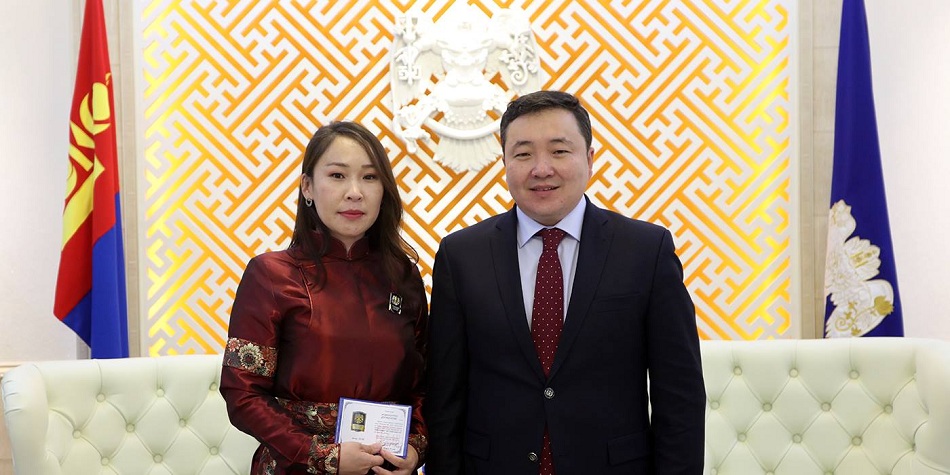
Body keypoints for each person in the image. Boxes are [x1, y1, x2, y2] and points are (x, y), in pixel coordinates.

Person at [424, 91, 705, 474]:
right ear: (505, 162)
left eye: (559, 151)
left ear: (589, 159)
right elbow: (444, 396)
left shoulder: (646, 250)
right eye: (523, 154)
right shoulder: (461, 255)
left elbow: (680, 395)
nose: (541, 169)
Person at [221, 121, 428, 475]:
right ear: (308, 187)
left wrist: (416, 447)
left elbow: (424, 385)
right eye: (337, 176)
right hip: (296, 466)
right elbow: (243, 394)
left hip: (385, 467)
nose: (354, 192)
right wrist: (322, 455)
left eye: (369, 177)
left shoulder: (404, 277)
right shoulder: (271, 274)